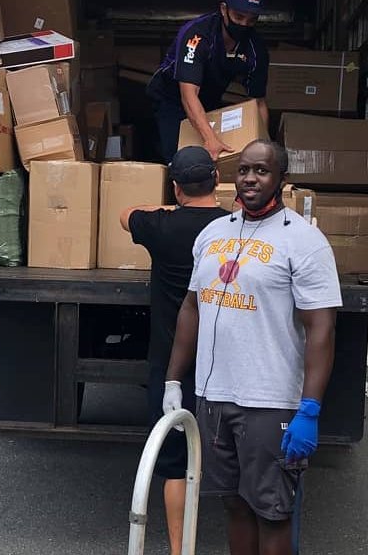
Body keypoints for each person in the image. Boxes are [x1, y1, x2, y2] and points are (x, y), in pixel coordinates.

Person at [163, 139, 341, 554]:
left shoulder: (304, 241)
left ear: (282, 179)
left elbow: (322, 328)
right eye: (243, 170)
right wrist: (174, 380)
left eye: (261, 171)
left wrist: (310, 409)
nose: (250, 178)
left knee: (271, 512)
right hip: (214, 397)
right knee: (233, 505)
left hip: (269, 401)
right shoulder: (212, 233)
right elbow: (192, 307)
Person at [120, 146, 229, 555]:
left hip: (171, 364)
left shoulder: (159, 227)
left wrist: (169, 206)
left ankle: (178, 550)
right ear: (217, 180)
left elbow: (125, 213)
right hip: (224, 361)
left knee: (173, 461)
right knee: (232, 454)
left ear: (176, 185)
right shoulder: (230, 228)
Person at [147, 0, 271, 164]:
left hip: (209, 100)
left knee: (212, 159)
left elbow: (258, 103)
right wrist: (210, 139)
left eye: (251, 20)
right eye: (238, 17)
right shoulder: (197, 35)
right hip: (172, 97)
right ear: (223, 9)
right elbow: (188, 95)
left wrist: (264, 145)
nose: (244, 24)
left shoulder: (255, 49)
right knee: (179, 157)